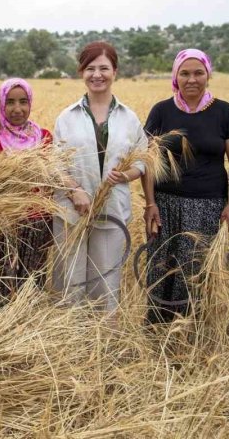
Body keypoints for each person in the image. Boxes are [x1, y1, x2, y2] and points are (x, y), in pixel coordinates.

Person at [141, 49, 229, 323]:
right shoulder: (161, 111)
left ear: (208, 74)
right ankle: (157, 334)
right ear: (175, 75)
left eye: (198, 72)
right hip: (166, 204)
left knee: (195, 272)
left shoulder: (224, 112)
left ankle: (191, 334)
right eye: (184, 73)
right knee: (161, 270)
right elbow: (147, 161)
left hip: (208, 207)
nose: (192, 79)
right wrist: (150, 203)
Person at [52, 42, 147, 313]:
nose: (97, 74)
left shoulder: (129, 118)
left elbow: (142, 160)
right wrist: (74, 191)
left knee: (105, 282)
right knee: (70, 281)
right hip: (72, 211)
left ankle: (103, 343)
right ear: (81, 72)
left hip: (112, 210)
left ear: (115, 71)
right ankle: (70, 342)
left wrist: (124, 175)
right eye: (90, 68)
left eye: (104, 68)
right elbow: (55, 163)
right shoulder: (66, 117)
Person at [0, 78, 54, 295]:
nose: (17, 109)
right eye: (10, 102)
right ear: (2, 104)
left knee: (33, 283)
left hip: (39, 222)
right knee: (2, 284)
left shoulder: (44, 138)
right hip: (4, 224)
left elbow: (53, 177)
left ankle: (31, 325)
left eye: (23, 102)